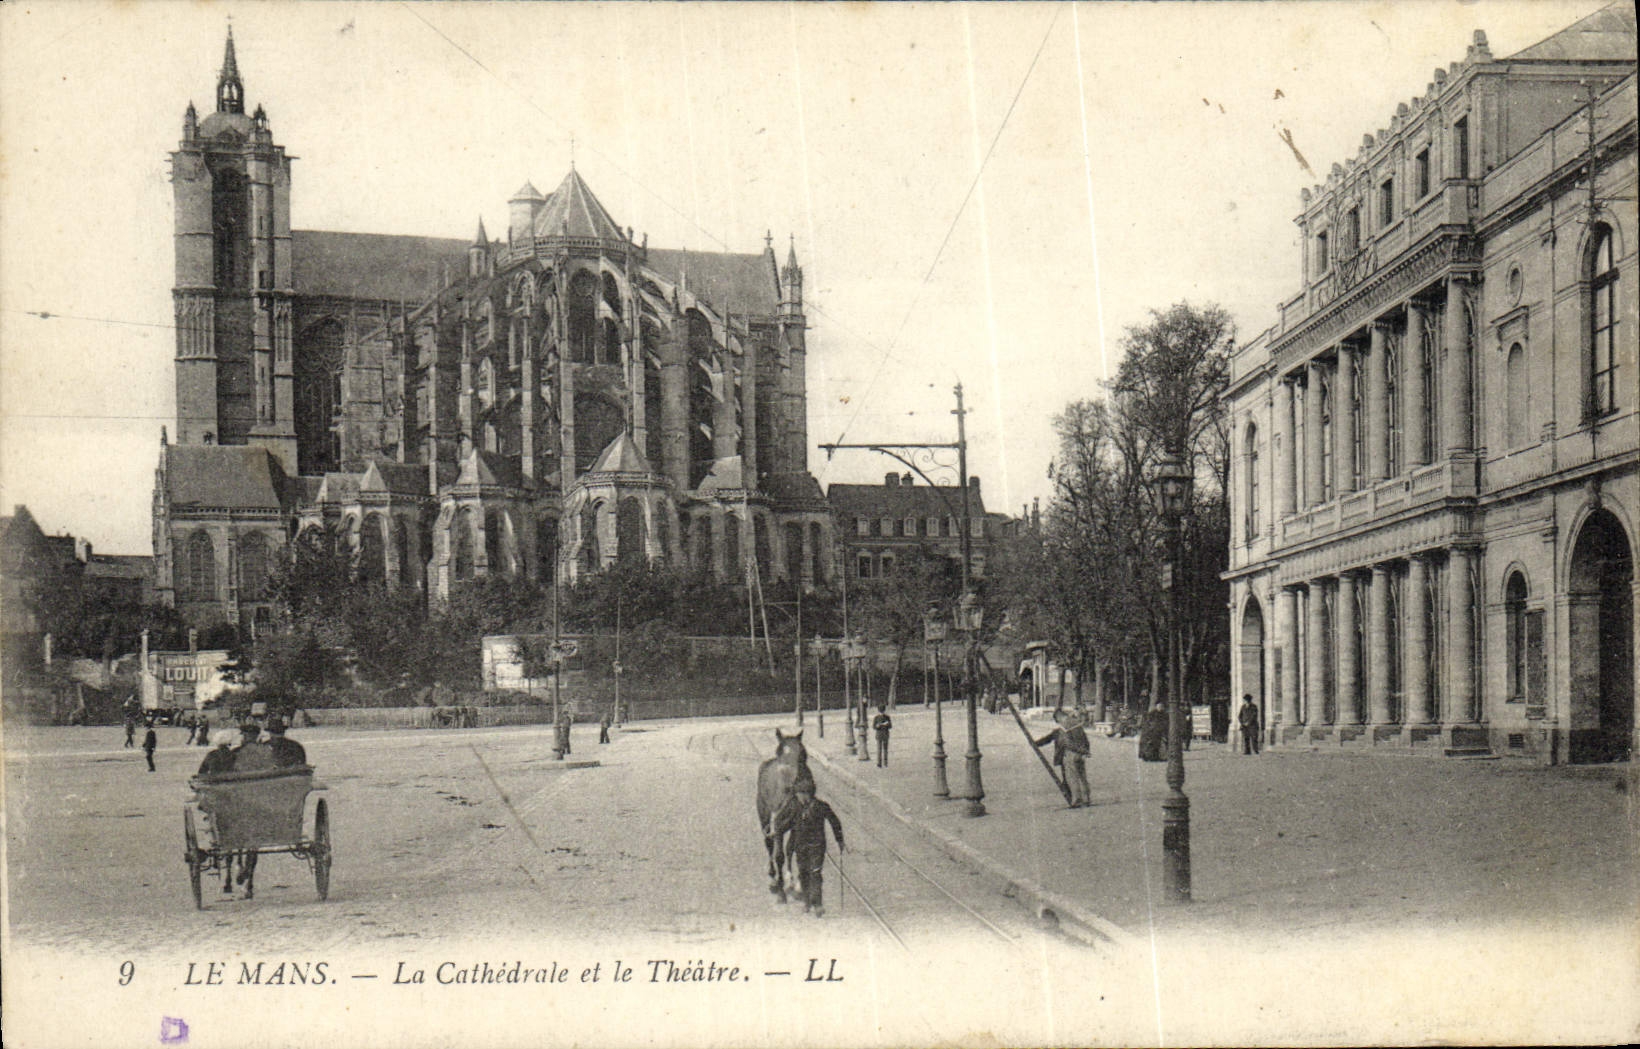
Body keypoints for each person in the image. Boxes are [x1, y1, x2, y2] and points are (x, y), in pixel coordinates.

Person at [787, 783, 845, 917]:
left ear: (806, 794)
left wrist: (839, 839)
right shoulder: (795, 807)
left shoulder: (821, 806)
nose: (798, 797)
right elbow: (790, 827)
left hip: (817, 846)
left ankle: (818, 904)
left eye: (799, 795)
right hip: (800, 847)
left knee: (815, 873)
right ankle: (807, 902)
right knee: (803, 874)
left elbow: (834, 821)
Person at [1034, 712, 1091, 807]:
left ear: (1059, 717)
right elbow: (1086, 740)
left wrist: (1037, 743)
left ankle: (1077, 800)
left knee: (1072, 777)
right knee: (1082, 777)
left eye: (1057, 721)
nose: (1058, 723)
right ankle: (1086, 799)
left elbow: (1066, 742)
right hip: (1081, 754)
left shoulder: (1064, 726)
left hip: (1071, 753)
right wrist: (1085, 751)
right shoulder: (1077, 724)